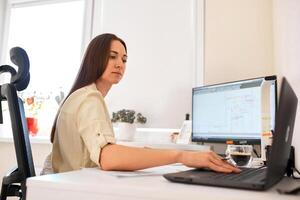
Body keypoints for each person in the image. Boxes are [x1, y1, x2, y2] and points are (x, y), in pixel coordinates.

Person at [43, 33, 240, 174]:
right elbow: (108, 157)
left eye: (124, 59)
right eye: (112, 57)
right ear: (95, 58)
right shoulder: (89, 98)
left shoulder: (83, 96)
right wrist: (181, 156)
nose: (120, 64)